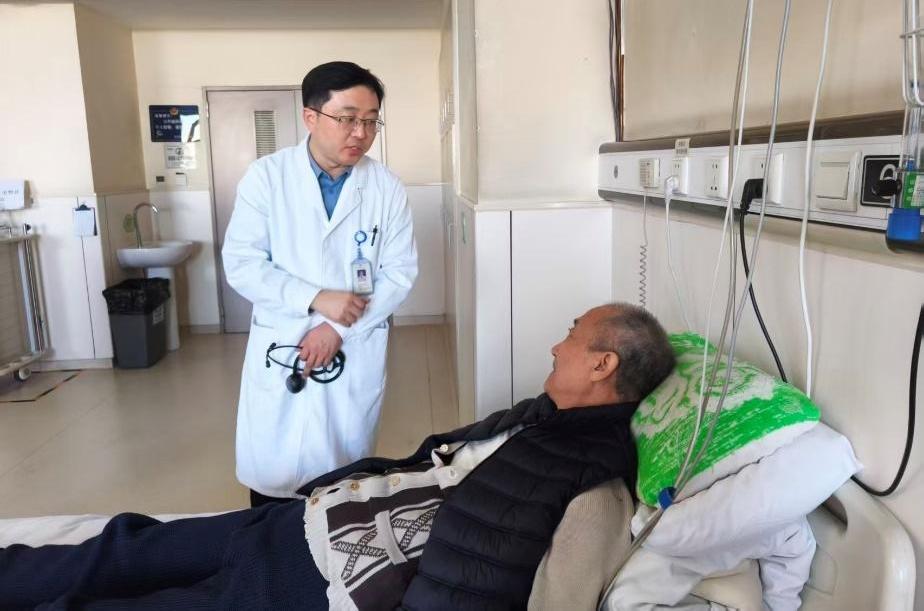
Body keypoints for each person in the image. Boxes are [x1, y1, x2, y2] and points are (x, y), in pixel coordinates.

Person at [0, 303, 676, 610]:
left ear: (602, 364)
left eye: (572, 334)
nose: (557, 344)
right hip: (299, 523)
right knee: (122, 547)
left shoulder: (595, 491)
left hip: (314, 583)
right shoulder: (537, 419)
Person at [222, 61, 418, 507]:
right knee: (272, 482)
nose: (360, 133)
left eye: (371, 121)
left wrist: (338, 328)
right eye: (347, 118)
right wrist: (314, 298)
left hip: (352, 343)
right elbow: (242, 263)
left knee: (340, 486)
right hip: (283, 338)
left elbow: (399, 272)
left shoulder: (385, 187)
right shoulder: (267, 177)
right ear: (311, 117)